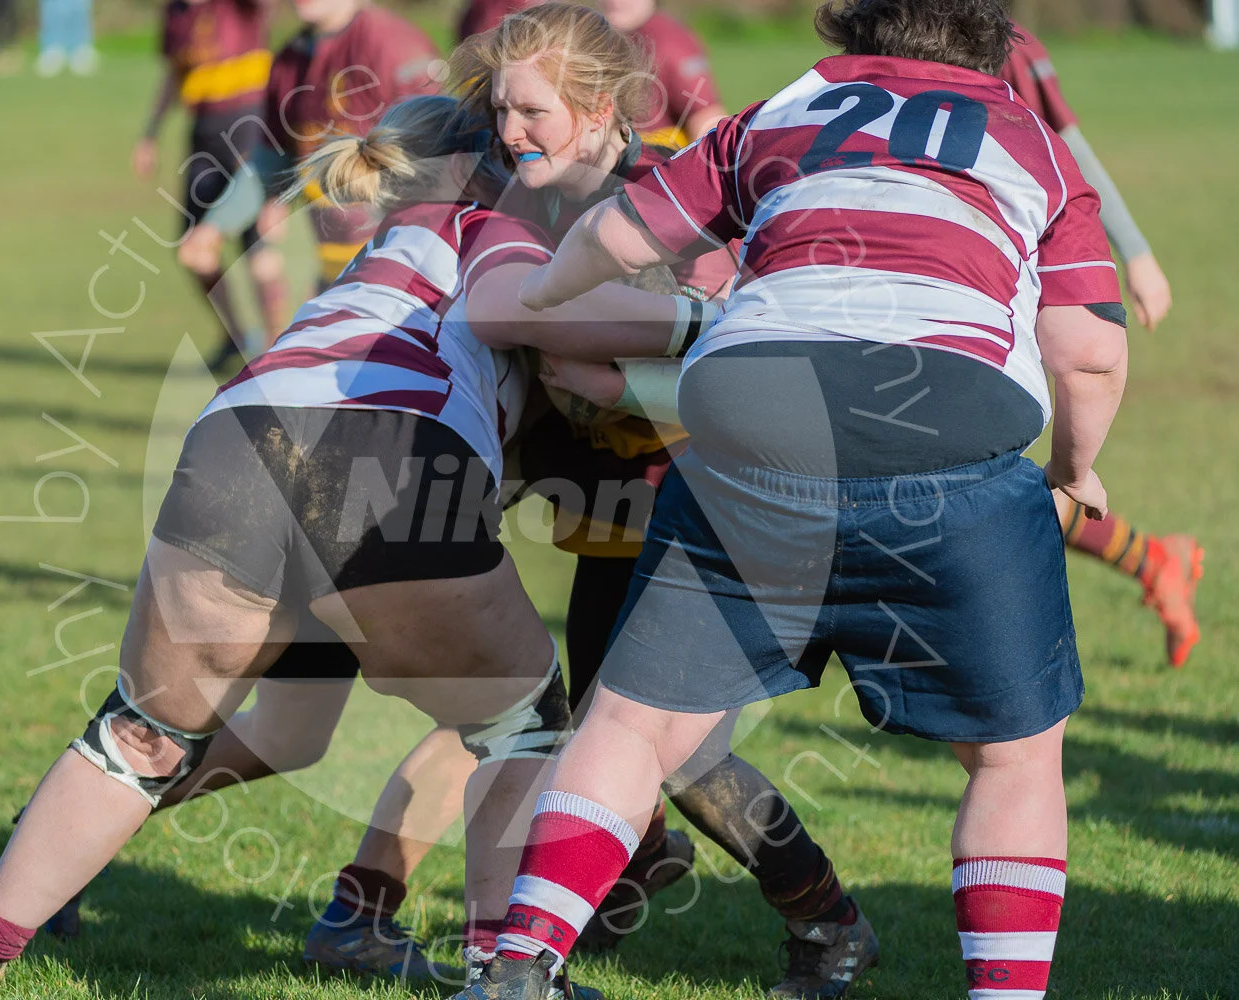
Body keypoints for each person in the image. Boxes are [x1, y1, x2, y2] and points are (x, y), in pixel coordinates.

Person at [0, 93, 697, 997]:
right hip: (388, 462)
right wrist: (699, 326)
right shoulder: (491, 225)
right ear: (465, 169)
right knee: (520, 724)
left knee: (141, 734)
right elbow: (547, 324)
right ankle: (505, 976)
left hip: (234, 440)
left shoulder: (377, 253)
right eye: (501, 149)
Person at [454, 2, 1130, 1000]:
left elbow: (624, 231)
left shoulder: (792, 104)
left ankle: (517, 969)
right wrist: (1074, 468)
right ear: (989, 42)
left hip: (749, 428)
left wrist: (549, 294)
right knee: (1013, 760)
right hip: (949, 439)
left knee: (630, 729)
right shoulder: (1027, 138)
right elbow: (1091, 351)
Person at [447, 3, 878, 984]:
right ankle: (630, 864)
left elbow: (741, 345)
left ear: (601, 114)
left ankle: (827, 917)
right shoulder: (509, 201)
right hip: (607, 524)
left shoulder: (671, 196)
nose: (508, 132)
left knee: (676, 754)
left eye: (533, 113)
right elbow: (516, 327)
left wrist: (622, 366)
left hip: (718, 509)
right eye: (500, 109)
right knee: (602, 740)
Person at [1002, 21, 1201, 668]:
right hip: (947, 283)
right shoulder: (893, 26)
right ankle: (1155, 562)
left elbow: (1069, 153)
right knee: (996, 484)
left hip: (1008, 287)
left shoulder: (1000, 39)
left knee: (992, 483)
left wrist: (1137, 254)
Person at [178, 0, 442, 298]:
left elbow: (441, 154)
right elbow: (272, 160)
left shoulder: (392, 45)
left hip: (400, 267)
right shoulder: (290, 61)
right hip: (332, 265)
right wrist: (216, 225)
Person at [134, 0, 292, 368]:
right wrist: (150, 134)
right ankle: (238, 337)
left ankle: (277, 353)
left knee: (259, 251)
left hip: (250, 129)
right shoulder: (175, 13)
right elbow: (173, 74)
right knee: (193, 248)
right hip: (203, 138)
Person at [599, 0, 727, 147]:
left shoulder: (670, 41)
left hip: (653, 163)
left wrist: (700, 167)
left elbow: (705, 117)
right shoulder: (595, 36)